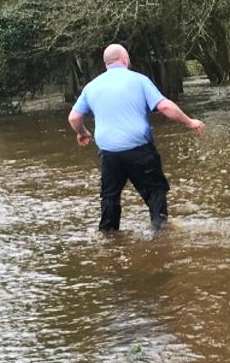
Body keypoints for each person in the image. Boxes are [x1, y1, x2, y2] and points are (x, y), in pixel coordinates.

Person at [68, 43, 205, 231]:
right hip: (140, 150)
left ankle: (109, 241)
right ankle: (161, 232)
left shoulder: (91, 87)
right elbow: (164, 106)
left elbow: (74, 117)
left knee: (109, 198)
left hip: (109, 154)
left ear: (106, 63)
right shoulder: (139, 80)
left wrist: (82, 132)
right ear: (125, 59)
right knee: (156, 191)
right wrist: (190, 122)